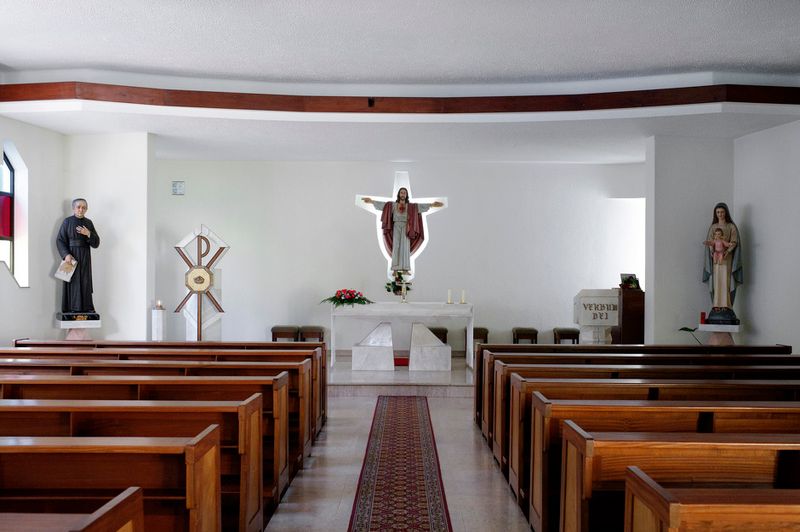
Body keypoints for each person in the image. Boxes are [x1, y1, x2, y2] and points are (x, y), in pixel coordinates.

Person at [362, 187, 443, 273]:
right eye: (401, 192)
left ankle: (405, 268)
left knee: (405, 247)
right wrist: (371, 201)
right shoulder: (392, 205)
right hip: (396, 225)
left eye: (404, 192)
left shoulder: (411, 206)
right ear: (399, 194)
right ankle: (395, 269)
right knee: (396, 246)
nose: (403, 194)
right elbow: (384, 205)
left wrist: (432, 205)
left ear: (406, 195)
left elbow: (420, 206)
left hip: (406, 226)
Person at [56, 198, 100, 315]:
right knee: (72, 282)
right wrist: (66, 255)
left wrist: (89, 234)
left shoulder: (89, 223)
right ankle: (72, 308)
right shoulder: (67, 222)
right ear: (73, 208)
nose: (81, 209)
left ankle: (86, 308)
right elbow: (60, 240)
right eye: (78, 207)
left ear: (86, 209)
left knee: (85, 282)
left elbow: (96, 243)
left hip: (85, 257)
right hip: (71, 257)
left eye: (84, 207)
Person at [702, 202, 741, 311]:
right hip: (715, 258)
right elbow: (711, 242)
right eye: (718, 212)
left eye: (722, 212)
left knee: (726, 280)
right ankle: (716, 304)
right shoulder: (713, 227)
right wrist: (711, 250)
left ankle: (726, 305)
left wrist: (728, 251)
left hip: (726, 259)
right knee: (716, 280)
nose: (720, 214)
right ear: (715, 213)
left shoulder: (731, 226)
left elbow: (734, 241)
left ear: (726, 213)